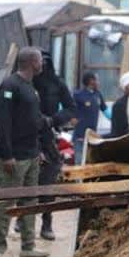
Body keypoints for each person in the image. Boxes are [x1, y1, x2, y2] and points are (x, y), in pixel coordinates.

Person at [0, 47, 50, 257]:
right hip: (14, 156)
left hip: (31, 154)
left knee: (30, 202)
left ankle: (28, 246)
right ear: (32, 62)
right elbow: (3, 122)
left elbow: (33, 120)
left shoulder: (30, 87)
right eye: (40, 60)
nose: (42, 63)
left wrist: (39, 150)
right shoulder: (10, 85)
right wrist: (6, 154)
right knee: (7, 201)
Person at [32, 50, 76, 241]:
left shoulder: (57, 83)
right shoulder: (22, 81)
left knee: (48, 182)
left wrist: (53, 120)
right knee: (25, 180)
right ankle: (23, 221)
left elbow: (71, 108)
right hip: (25, 136)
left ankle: (46, 223)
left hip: (48, 135)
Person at [73, 72, 107, 165]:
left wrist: (115, 120)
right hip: (80, 134)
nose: (98, 82)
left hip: (93, 134)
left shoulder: (98, 94)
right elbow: (69, 108)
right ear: (91, 81)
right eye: (96, 79)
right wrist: (72, 118)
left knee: (90, 159)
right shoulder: (78, 95)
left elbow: (105, 110)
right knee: (79, 160)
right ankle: (78, 179)